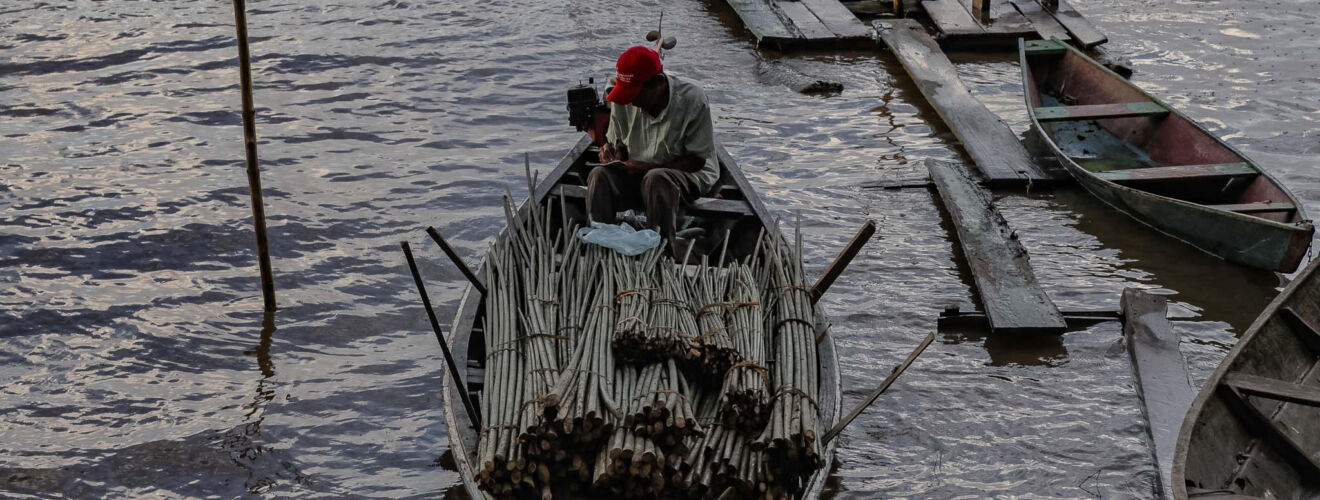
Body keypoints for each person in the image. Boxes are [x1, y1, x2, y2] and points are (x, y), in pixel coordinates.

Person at [587, 45, 720, 253]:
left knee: (657, 178)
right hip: (639, 171)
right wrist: (613, 154)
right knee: (599, 175)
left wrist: (645, 168)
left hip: (687, 173)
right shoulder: (624, 99)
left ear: (658, 84)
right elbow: (619, 143)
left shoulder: (692, 100)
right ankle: (600, 248)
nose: (630, 101)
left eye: (636, 95)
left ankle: (661, 252)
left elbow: (697, 160)